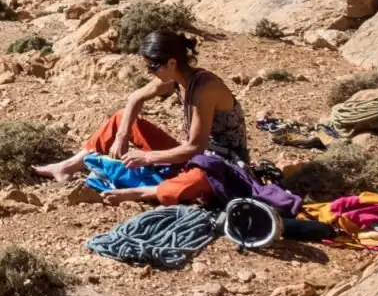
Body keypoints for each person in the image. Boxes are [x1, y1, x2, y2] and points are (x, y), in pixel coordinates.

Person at [34, 28, 249, 205]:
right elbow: (135, 98)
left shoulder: (205, 89)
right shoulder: (176, 78)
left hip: (222, 163)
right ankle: (68, 166)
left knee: (199, 180)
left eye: (152, 66)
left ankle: (142, 192)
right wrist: (122, 135)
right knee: (121, 119)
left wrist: (147, 157)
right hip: (192, 156)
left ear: (171, 63)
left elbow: (195, 147)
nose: (149, 72)